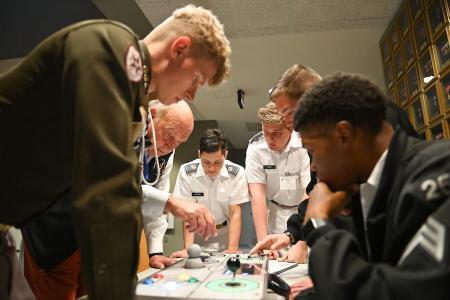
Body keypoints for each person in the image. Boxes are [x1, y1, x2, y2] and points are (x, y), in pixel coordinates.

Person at [0, 4, 231, 299]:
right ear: (179, 49)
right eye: (197, 79)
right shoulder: (110, 49)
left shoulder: (135, 102)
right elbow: (108, 189)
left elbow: (124, 190)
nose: (192, 94)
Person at [252, 73, 450, 299]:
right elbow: (370, 272)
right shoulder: (363, 187)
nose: (314, 167)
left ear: (344, 135)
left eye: (314, 151)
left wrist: (319, 223)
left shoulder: (439, 174)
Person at [245, 102, 310, 260]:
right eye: (266, 132)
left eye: (277, 133)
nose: (270, 139)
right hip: (275, 212)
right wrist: (263, 242)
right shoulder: (255, 148)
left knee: (304, 262)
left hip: (305, 211)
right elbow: (257, 196)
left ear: (290, 128)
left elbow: (310, 193)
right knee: (273, 261)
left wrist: (301, 242)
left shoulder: (305, 145)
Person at [171, 129, 249, 256]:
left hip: (224, 236)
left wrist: (232, 249)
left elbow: (235, 213)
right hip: (197, 234)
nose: (211, 168)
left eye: (217, 162)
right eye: (206, 162)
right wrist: (188, 249)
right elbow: (187, 214)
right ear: (199, 154)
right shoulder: (186, 172)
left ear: (225, 155)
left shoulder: (236, 173)